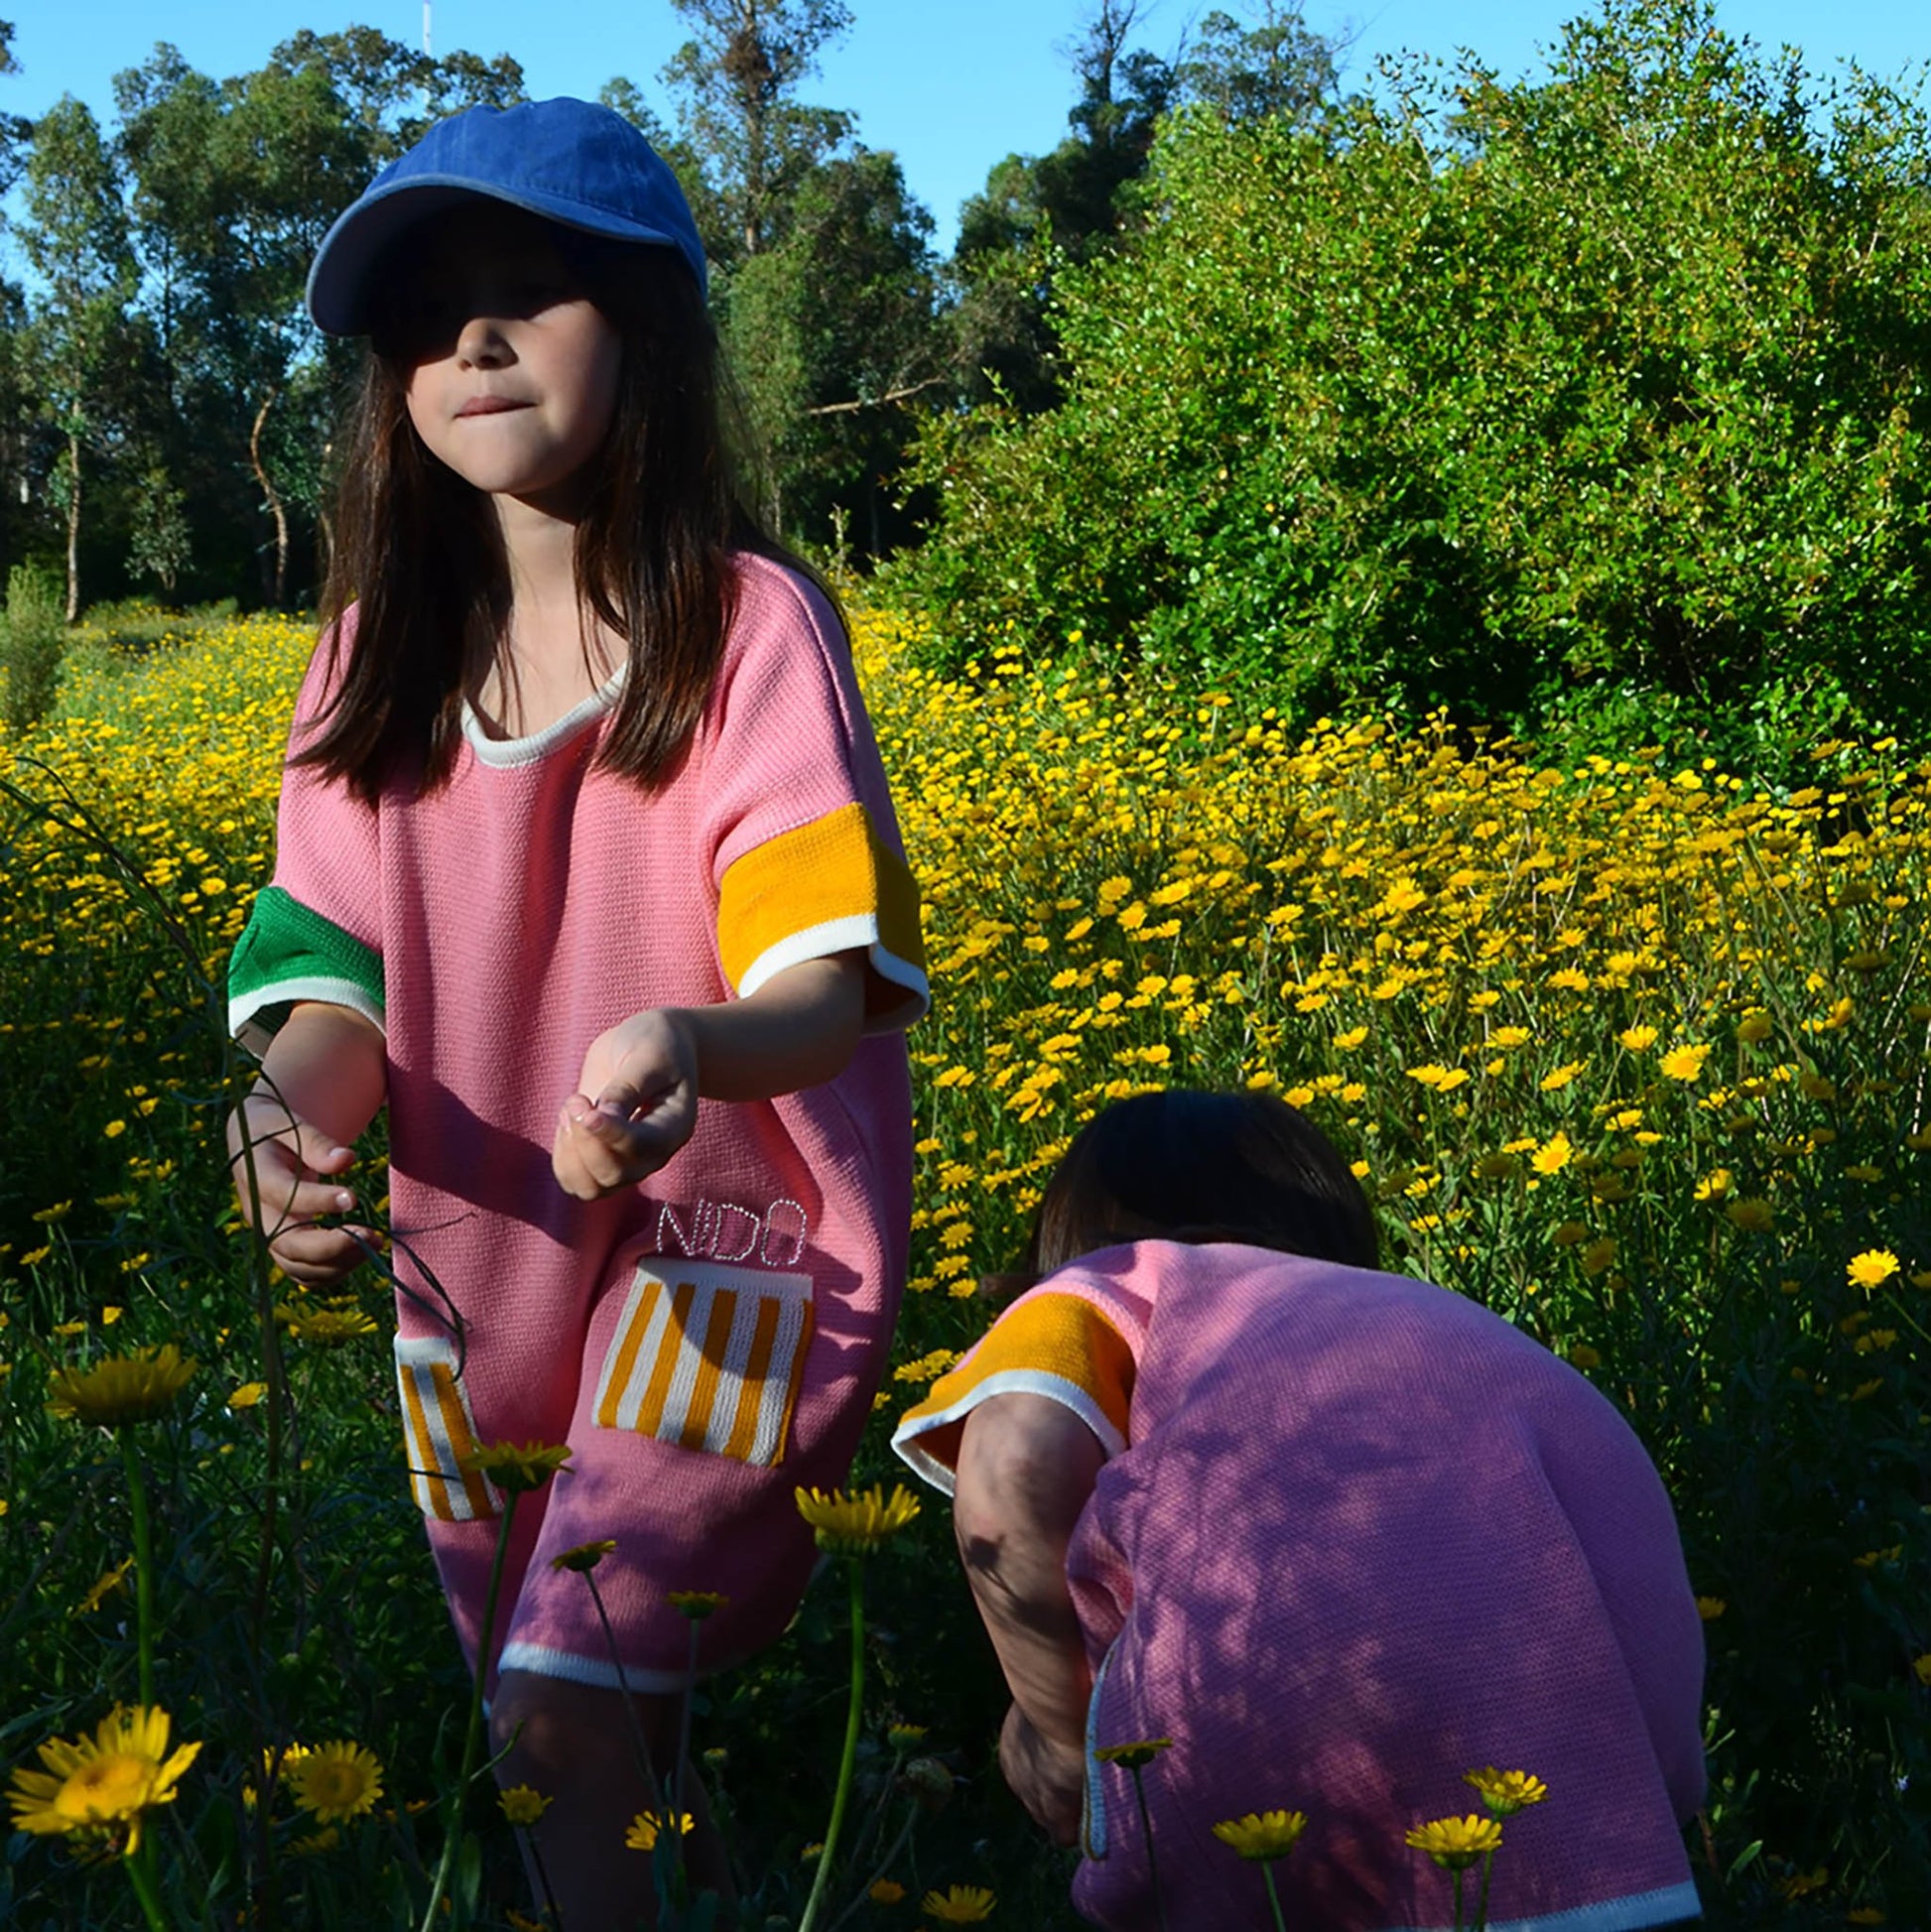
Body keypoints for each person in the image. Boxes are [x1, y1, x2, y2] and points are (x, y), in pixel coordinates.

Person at [224, 98, 926, 1930]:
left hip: (732, 1242)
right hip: (476, 1265)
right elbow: (331, 984)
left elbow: (820, 985)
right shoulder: (365, 666)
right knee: (591, 1720)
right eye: (427, 313)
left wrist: (691, 1048)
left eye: (530, 292)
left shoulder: (744, 628)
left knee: (562, 1710)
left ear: (650, 330)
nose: (470, 341)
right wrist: (286, 1126)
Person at [893, 1090, 1706, 1932]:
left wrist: (1058, 1729)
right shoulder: (1418, 1313)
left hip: (1285, 1680)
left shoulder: (1110, 1284)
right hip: (1611, 1705)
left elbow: (1016, 1462)